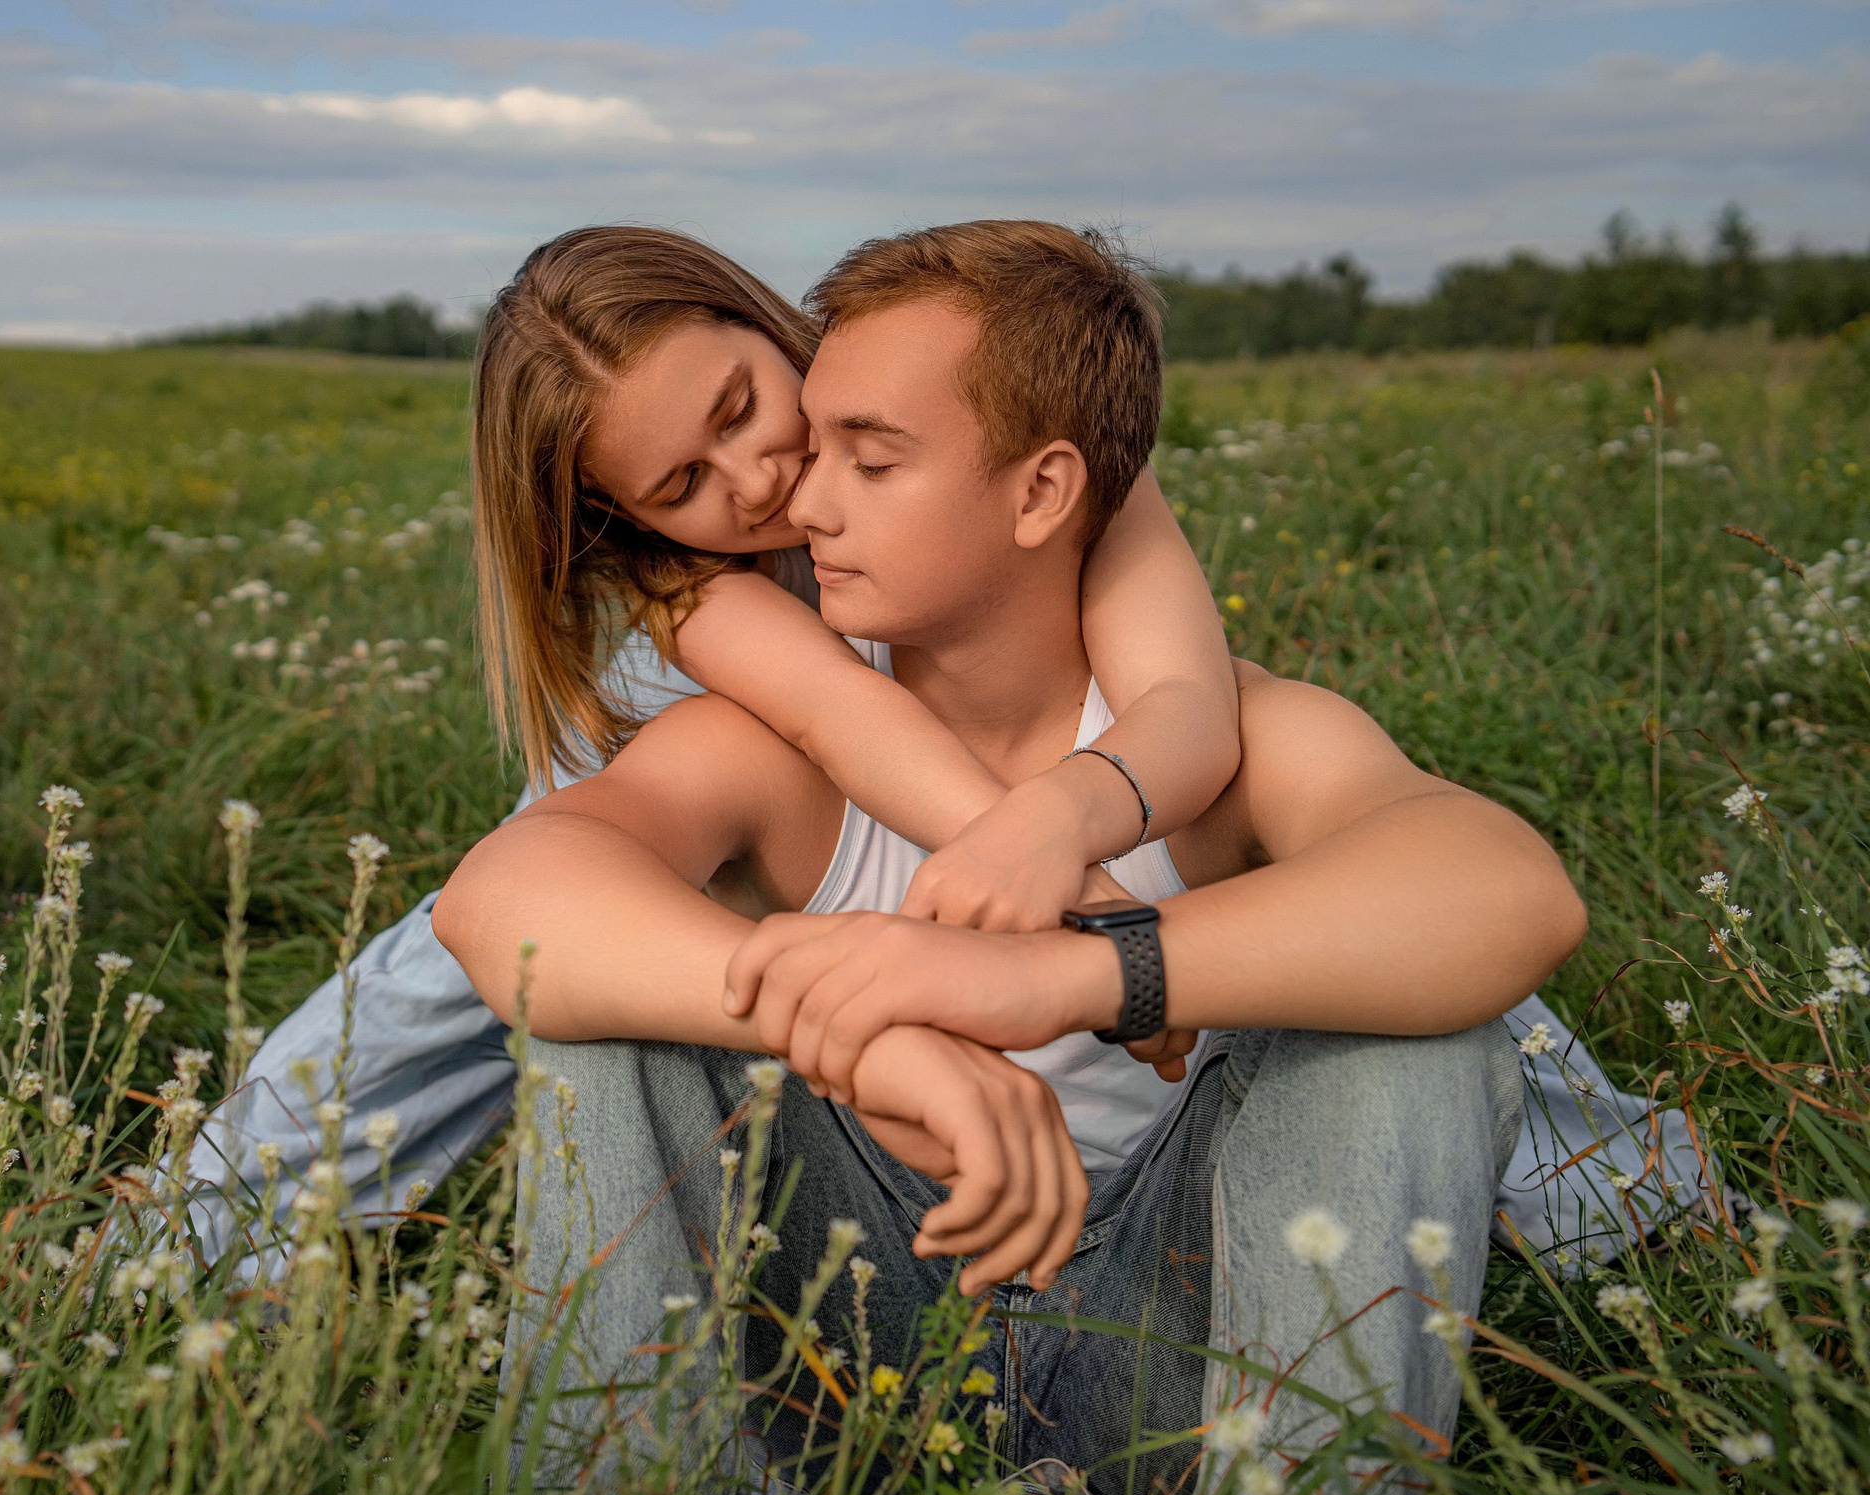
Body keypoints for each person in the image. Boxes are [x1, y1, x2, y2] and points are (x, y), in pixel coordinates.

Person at [430, 220, 1586, 1495]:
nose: (792, 498)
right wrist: (869, 1030)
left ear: (1044, 488)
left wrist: (1074, 975)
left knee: (1423, 1029)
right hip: (857, 1349)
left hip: (1178, 1353)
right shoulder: (768, 729)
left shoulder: (1224, 730)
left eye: (866, 454)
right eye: (719, 477)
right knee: (594, 1010)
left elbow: (1508, 895)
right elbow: (496, 902)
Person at [181, 227, 1696, 1277]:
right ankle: (209, 1218)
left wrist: (1085, 861)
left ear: (767, 324)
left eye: (742, 404)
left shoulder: (1012, 443)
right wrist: (1082, 903)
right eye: (686, 479)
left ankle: (1619, 1195)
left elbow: (1190, 708)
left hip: (1001, 774)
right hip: (773, 774)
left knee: (1352, 913)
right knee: (479, 950)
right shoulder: (693, 595)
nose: (762, 472)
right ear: (631, 521)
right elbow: (854, 721)